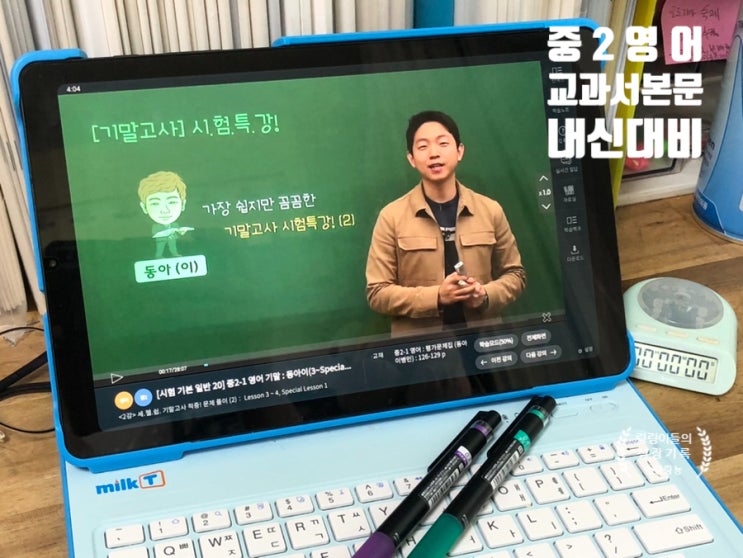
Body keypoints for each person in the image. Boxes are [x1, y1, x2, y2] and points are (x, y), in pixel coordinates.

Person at [365, 110, 526, 335]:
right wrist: (437, 297)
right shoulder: (391, 217)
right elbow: (377, 292)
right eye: (423, 146)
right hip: (424, 349)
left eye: (443, 143)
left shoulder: (490, 210)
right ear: (411, 159)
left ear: (460, 151)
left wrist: (484, 295)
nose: (434, 153)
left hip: (486, 344)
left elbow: (516, 275)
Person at [137, 170, 192, 258]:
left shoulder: (175, 225)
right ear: (144, 207)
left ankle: (174, 254)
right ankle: (158, 256)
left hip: (172, 240)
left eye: (172, 202)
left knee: (173, 246)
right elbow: (156, 235)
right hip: (161, 241)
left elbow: (178, 235)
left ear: (183, 204)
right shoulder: (155, 227)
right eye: (155, 203)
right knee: (160, 248)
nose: (165, 210)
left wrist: (181, 232)